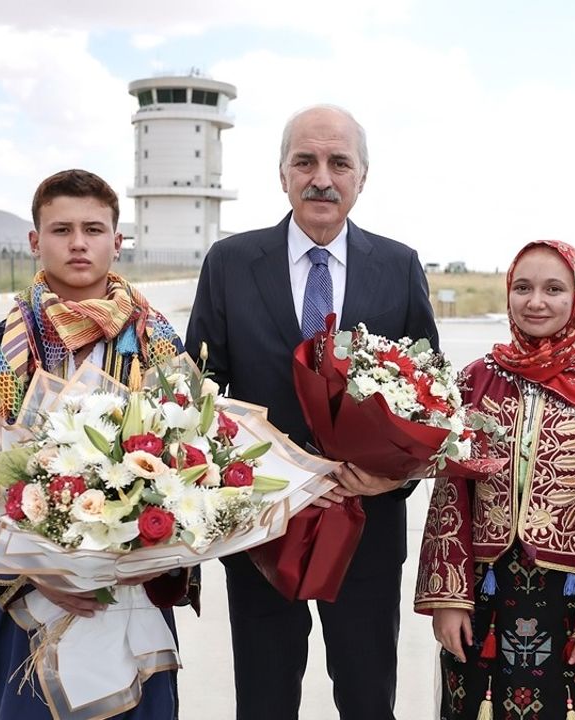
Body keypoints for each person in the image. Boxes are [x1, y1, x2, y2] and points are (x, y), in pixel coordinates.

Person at [185, 104, 438, 720]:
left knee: (366, 697)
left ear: (361, 177)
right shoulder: (229, 263)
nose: (321, 177)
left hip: (367, 530)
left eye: (338, 163)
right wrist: (266, 478)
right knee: (265, 700)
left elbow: (434, 401)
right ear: (283, 174)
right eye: (305, 161)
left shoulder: (400, 267)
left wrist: (394, 476)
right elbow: (195, 395)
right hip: (261, 526)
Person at [0, 169, 188, 719]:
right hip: (29, 607)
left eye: (93, 229)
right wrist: (25, 573)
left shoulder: (160, 347)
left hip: (135, 598)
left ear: (117, 242)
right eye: (61, 229)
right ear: (35, 241)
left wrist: (162, 558)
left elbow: (195, 464)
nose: (78, 243)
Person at [415, 240, 575, 719]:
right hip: (484, 595)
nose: (535, 301)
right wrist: (447, 599)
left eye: (553, 289)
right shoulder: (474, 381)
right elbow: (449, 499)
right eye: (523, 287)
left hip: (572, 603)